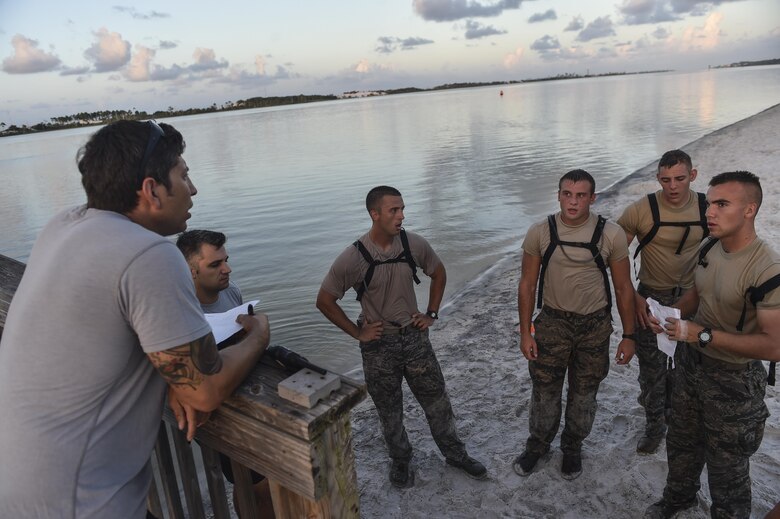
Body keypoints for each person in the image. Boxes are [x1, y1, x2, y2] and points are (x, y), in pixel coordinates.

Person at [0, 120, 270, 519]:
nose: (193, 189)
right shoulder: (148, 254)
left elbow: (103, 325)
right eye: (184, 174)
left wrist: (172, 372)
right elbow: (205, 391)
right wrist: (258, 336)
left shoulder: (62, 226)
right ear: (151, 190)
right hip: (79, 503)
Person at [316, 185, 486, 488]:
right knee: (389, 409)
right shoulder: (353, 257)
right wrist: (358, 332)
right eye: (394, 210)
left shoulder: (413, 244)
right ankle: (401, 459)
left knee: (437, 401)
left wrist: (431, 313)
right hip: (379, 345)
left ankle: (455, 454)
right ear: (375, 214)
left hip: (415, 338)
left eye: (403, 209)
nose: (401, 216)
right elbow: (325, 301)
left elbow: (439, 273)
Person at [645, 171, 780, 519]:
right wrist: (670, 315)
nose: (710, 212)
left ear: (749, 210)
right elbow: (696, 295)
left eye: (722, 204)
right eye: (709, 203)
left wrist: (700, 334)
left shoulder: (767, 269)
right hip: (691, 368)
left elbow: (774, 346)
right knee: (681, 444)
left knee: (727, 469)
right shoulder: (709, 247)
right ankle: (678, 499)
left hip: (733, 381)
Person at [515, 169, 636, 480]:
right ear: (558, 195)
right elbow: (527, 284)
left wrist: (629, 335)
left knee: (585, 393)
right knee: (545, 391)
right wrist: (525, 331)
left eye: (581, 195)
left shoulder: (611, 234)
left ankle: (572, 447)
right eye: (567, 194)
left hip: (594, 327)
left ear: (592, 198)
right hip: (552, 323)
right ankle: (538, 445)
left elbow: (623, 288)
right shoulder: (540, 232)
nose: (573, 201)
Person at [176, 229, 274, 518]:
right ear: (191, 271)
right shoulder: (181, 309)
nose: (227, 269)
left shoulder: (231, 293)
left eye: (226, 261)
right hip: (215, 413)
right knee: (253, 485)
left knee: (253, 483)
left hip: (248, 403)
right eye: (215, 265)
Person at [617, 149, 708, 454]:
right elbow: (613, 257)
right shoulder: (641, 210)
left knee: (687, 364)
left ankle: (679, 417)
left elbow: (729, 252)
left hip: (693, 297)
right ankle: (655, 424)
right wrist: (635, 298)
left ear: (692, 176)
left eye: (680, 178)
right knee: (653, 368)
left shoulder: (707, 207)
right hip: (651, 297)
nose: (673, 186)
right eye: (666, 179)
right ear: (657, 178)